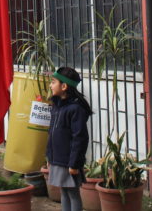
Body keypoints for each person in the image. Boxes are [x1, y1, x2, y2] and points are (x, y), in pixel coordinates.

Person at [46, 67, 92, 211]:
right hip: (57, 159)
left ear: (64, 86)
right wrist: (49, 157)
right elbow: (52, 133)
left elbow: (80, 138)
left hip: (69, 162)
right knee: (64, 192)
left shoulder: (75, 109)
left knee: (72, 193)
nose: (50, 85)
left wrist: (74, 163)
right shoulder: (56, 106)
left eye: (53, 82)